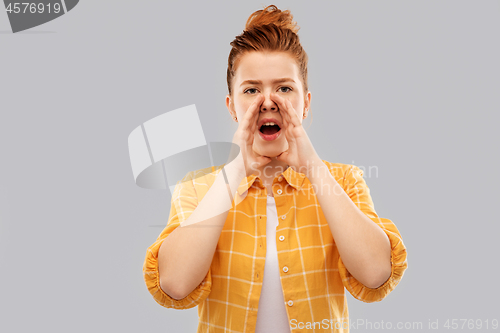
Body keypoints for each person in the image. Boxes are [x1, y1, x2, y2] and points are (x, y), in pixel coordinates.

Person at [143, 5, 407, 333]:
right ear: (232, 106)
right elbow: (174, 284)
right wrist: (236, 170)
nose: (268, 102)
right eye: (252, 90)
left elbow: (376, 274)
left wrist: (312, 166)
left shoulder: (342, 181)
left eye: (284, 88)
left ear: (306, 102)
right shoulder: (198, 189)